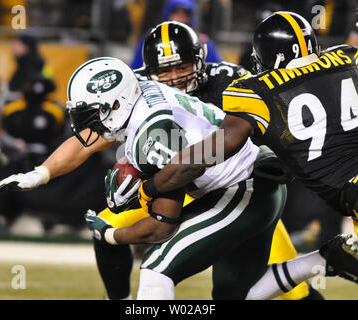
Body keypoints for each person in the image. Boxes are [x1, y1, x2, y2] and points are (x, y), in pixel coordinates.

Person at [0, 57, 358, 300]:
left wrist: (110, 232)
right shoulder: (139, 98)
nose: (86, 125)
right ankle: (325, 260)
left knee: (156, 270)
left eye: (90, 114)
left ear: (115, 105)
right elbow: (82, 144)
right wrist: (39, 175)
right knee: (235, 296)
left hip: (241, 188)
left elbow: (162, 226)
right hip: (249, 181)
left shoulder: (155, 134)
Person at [98, 21, 323, 300]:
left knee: (280, 292)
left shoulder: (230, 81)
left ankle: (324, 262)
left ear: (200, 60)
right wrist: (43, 172)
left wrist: (147, 188)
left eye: (181, 67)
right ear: (148, 72)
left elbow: (270, 128)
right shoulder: (138, 91)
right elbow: (93, 136)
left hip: (237, 185)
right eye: (164, 70)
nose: (174, 78)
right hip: (184, 184)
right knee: (107, 224)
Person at [127, 11, 358, 278]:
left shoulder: (254, 91)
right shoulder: (347, 56)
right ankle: (326, 260)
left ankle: (326, 260)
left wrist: (151, 186)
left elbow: (200, 158)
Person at [130, 0, 222, 69]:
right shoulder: (152, 40)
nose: (180, 18)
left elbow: (217, 69)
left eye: (185, 14)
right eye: (176, 13)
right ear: (168, 14)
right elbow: (136, 70)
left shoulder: (203, 42)